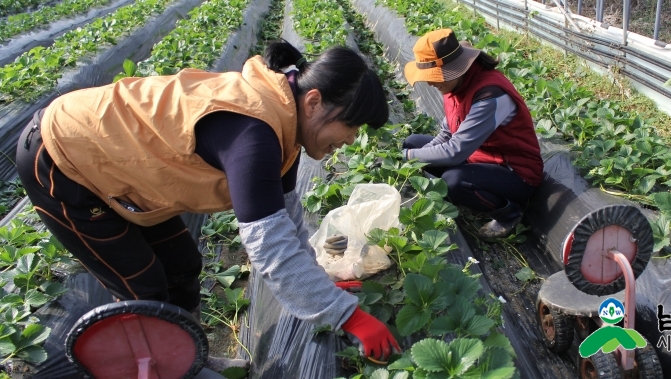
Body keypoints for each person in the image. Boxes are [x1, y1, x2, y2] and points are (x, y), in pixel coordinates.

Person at [16, 41, 400, 371]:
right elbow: (271, 249)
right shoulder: (253, 133)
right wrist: (348, 316)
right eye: (351, 126)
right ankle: (158, 369)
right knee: (144, 288)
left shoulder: (283, 121)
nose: (351, 140)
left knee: (183, 267)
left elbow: (285, 217)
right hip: (63, 158)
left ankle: (189, 358)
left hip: (126, 170)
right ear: (314, 102)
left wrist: (319, 281)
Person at [401, 28, 544, 239]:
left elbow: (455, 151)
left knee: (453, 181)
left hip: (514, 173)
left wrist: (407, 159)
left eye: (434, 77)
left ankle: (508, 213)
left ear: (454, 70)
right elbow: (447, 133)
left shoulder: (491, 95)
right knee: (413, 143)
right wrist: (413, 158)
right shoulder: (454, 86)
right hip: (477, 157)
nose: (430, 83)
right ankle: (463, 193)